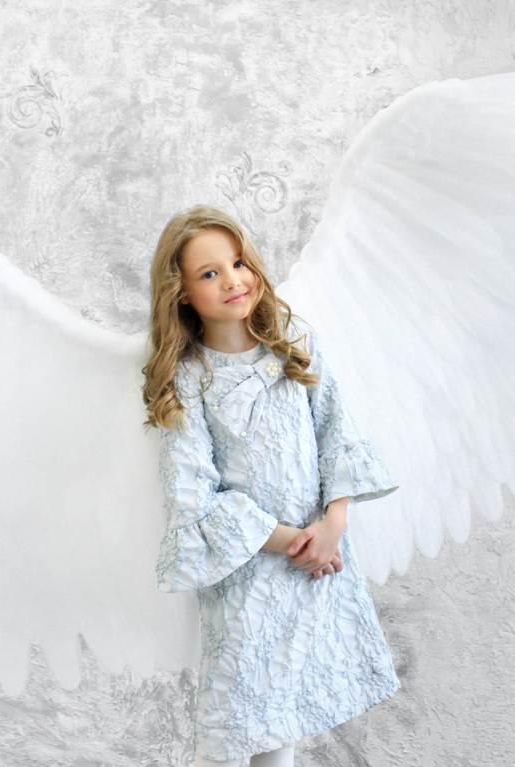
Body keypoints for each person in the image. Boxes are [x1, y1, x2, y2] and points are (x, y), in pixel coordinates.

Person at [141, 205, 401, 766]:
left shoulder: (293, 341)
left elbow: (337, 433)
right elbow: (192, 493)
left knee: (285, 716)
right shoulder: (189, 378)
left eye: (238, 263)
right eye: (209, 273)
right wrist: (290, 541)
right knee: (243, 718)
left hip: (316, 561)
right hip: (247, 569)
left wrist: (332, 526)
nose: (232, 280)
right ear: (182, 293)